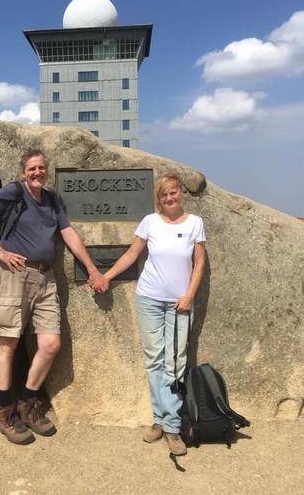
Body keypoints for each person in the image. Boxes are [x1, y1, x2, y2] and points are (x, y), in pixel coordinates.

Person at [0, 149, 108, 445]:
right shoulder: (13, 193)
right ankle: (5, 412)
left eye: (41, 168)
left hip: (45, 278)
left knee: (51, 344)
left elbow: (68, 234)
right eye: (32, 168)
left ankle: (27, 402)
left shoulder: (53, 200)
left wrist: (92, 270)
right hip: (14, 275)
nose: (38, 172)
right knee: (7, 343)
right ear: (23, 172)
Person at [99, 173, 205, 456]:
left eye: (173, 192)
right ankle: (161, 419)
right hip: (149, 299)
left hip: (180, 303)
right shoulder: (150, 221)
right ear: (158, 198)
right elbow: (132, 254)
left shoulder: (195, 223)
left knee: (176, 361)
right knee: (154, 360)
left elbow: (199, 263)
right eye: (164, 194)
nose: (169, 198)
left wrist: (189, 295)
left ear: (180, 193)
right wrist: (106, 276)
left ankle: (172, 425)